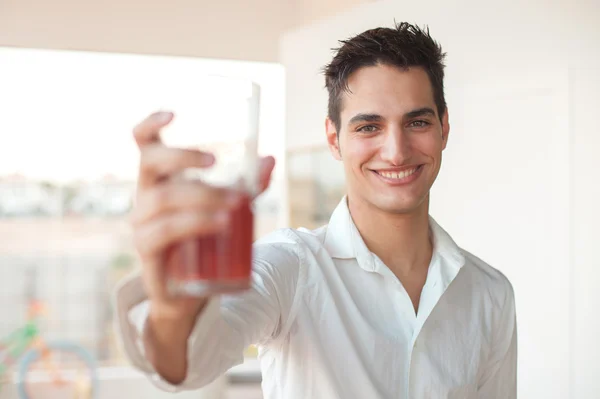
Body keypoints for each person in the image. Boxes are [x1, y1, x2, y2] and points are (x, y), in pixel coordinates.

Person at [114, 22, 517, 398]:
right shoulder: (290, 267)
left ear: (443, 128)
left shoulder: (489, 293)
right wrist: (171, 311)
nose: (396, 152)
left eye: (416, 123)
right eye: (368, 127)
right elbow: (188, 364)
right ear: (334, 139)